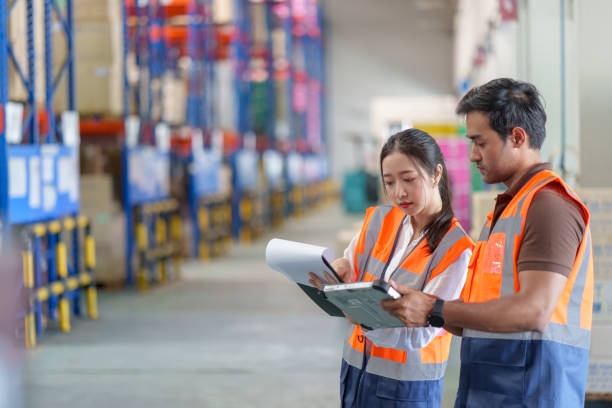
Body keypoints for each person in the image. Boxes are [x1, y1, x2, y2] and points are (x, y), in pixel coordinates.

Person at [381, 78, 593, 408]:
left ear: (518, 137)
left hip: (532, 392)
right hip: (494, 388)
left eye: (480, 142)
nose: (472, 156)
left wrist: (434, 309)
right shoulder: (507, 211)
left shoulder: (549, 206)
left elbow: (534, 311)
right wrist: (420, 307)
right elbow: (481, 313)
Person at [310, 128, 474, 408]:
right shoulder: (380, 220)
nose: (399, 192)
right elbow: (351, 262)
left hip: (407, 388)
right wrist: (340, 268)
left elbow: (421, 333)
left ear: (436, 174)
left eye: (409, 179)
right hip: (355, 372)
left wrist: (359, 315)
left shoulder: (456, 249)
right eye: (389, 182)